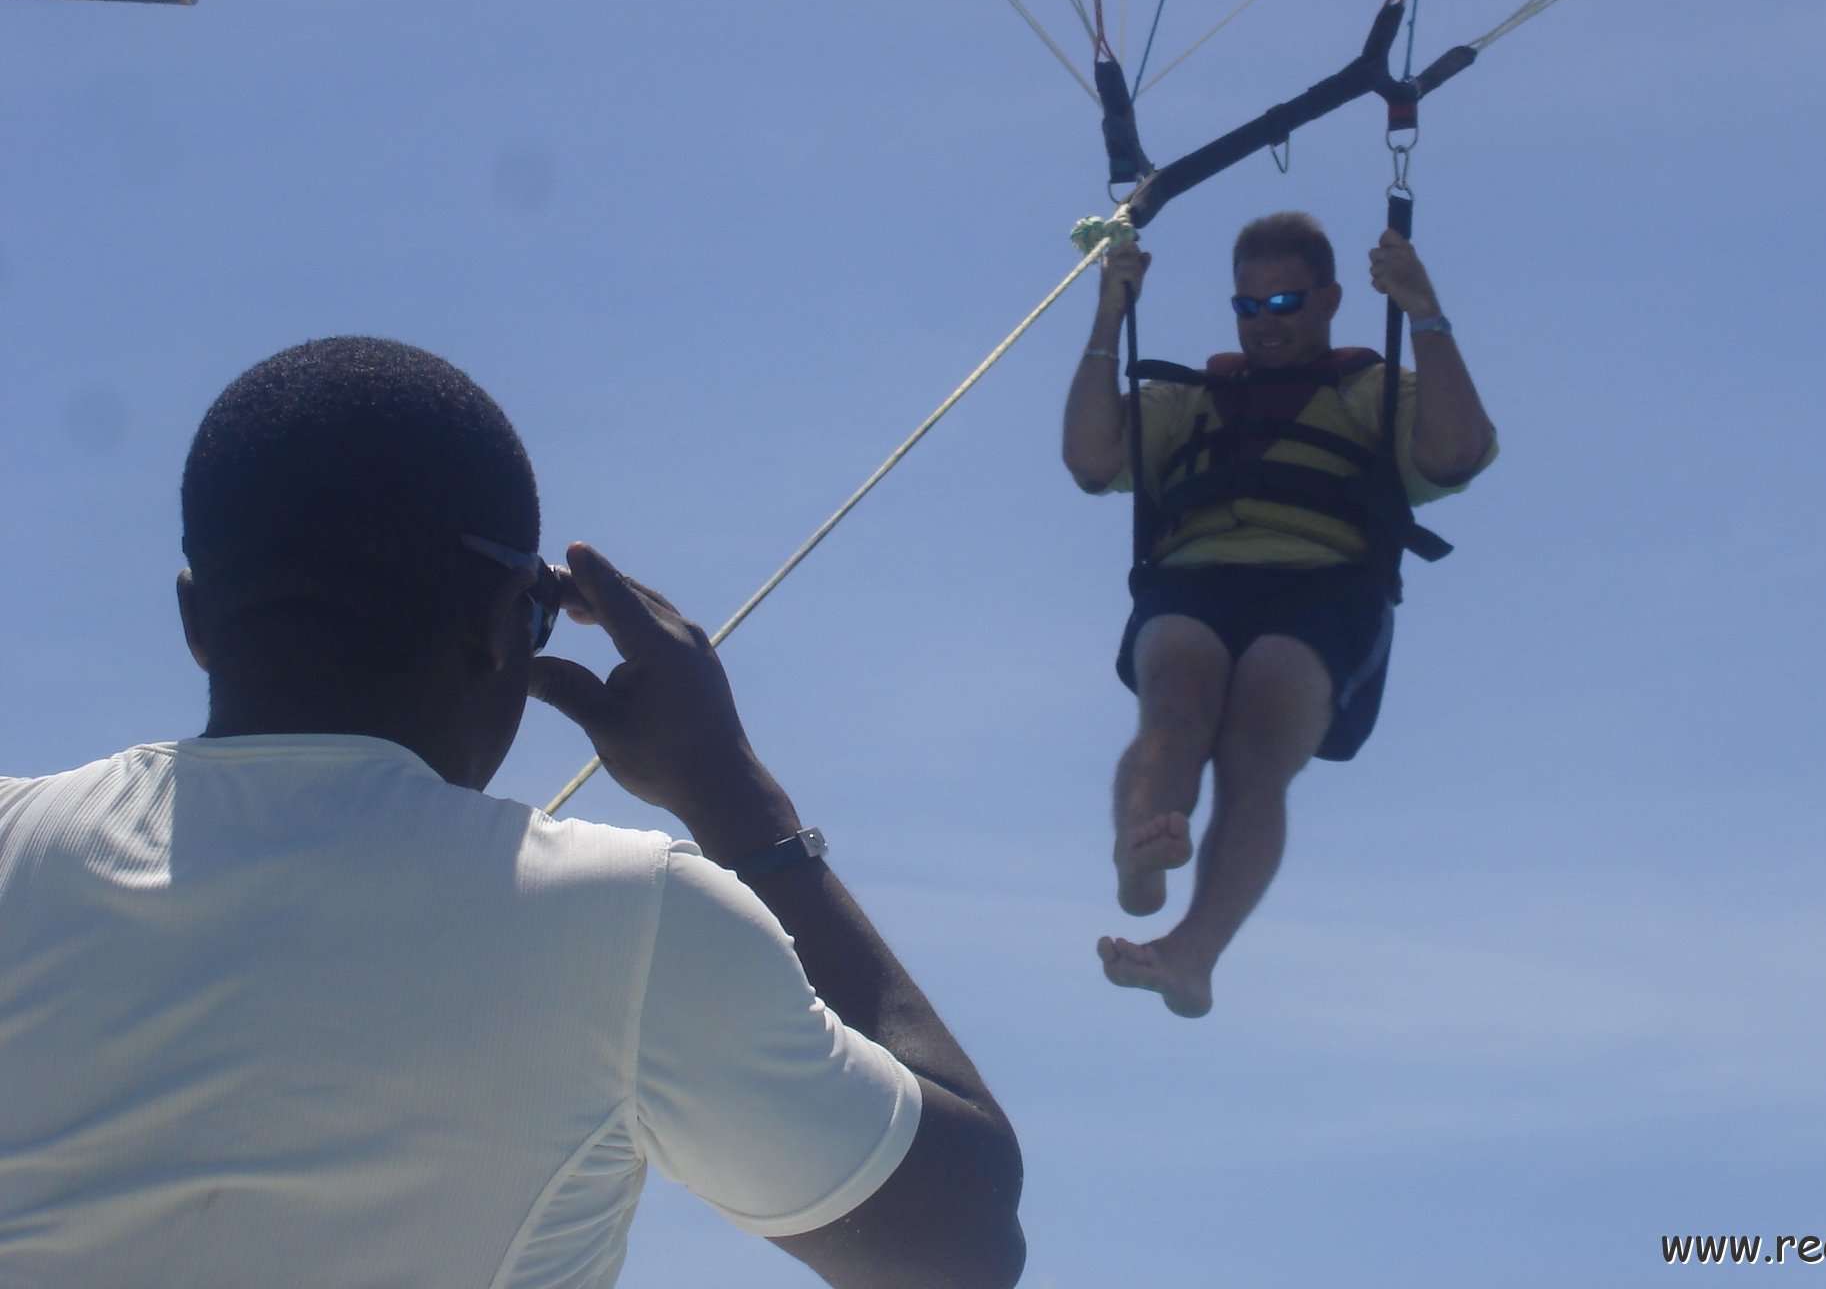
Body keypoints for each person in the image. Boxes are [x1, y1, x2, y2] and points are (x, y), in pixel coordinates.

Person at [0, 337, 1025, 1289]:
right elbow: (959, 1247)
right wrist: (729, 791)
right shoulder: (630, 920)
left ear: (195, 622)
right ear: (505, 627)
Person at [1061, 212, 1496, 1018]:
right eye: (1248, 308)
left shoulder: (1374, 390)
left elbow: (1455, 452)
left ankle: (1193, 954)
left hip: (1322, 585)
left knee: (1258, 744)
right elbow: (1092, 462)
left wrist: (1423, 310)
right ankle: (1141, 852)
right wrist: (1109, 314)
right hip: (1194, 578)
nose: (1266, 325)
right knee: (1177, 702)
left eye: (1286, 303)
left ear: (1330, 299)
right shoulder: (1189, 398)